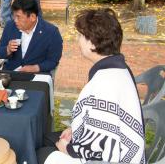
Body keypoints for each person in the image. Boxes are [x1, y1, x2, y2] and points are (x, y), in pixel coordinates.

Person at [37, 9, 145, 164]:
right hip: (117, 147)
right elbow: (101, 125)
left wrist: (67, 148)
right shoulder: (118, 67)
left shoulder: (104, 84)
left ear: (93, 43)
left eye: (81, 35)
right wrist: (75, 129)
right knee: (46, 138)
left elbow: (100, 149)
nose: (77, 39)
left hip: (111, 159)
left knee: (40, 154)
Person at [0, 0, 63, 73]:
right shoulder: (10, 26)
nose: (15, 20)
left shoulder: (51, 32)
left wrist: (36, 68)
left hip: (36, 76)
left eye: (18, 17)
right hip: (10, 75)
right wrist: (8, 49)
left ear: (32, 17)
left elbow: (53, 61)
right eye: (13, 16)